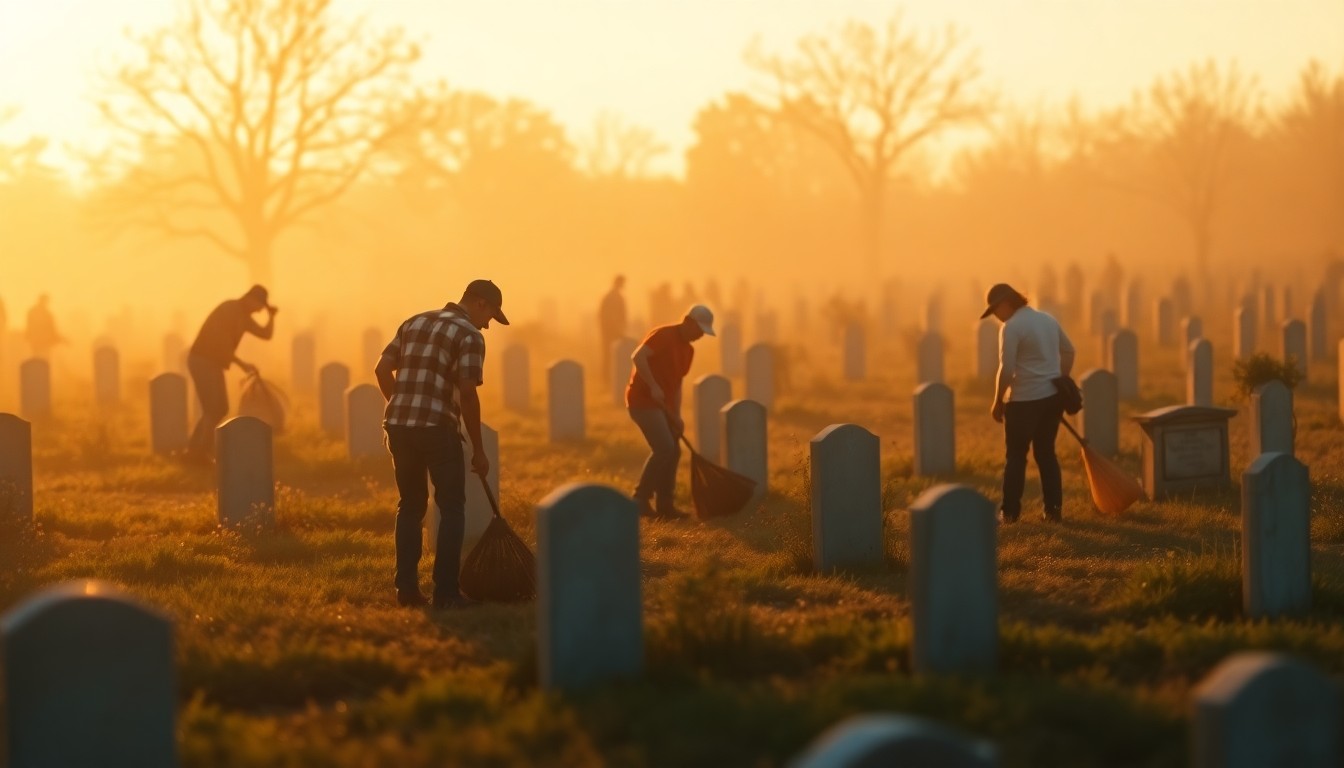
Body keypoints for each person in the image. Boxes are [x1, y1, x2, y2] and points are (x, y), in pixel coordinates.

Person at [375, 279, 508, 609]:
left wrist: (403, 405)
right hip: (437, 429)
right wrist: (478, 449)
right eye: (491, 314)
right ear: (479, 303)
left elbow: (381, 369)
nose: (489, 324)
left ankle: (405, 590)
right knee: (451, 506)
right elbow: (466, 392)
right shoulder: (469, 335)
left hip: (398, 426)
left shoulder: (414, 321)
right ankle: (446, 592)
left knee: (410, 505)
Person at [983, 282, 1075, 523]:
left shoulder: (1011, 327)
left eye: (995, 310)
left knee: (1016, 456)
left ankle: (1010, 513)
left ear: (1006, 303)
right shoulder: (1047, 319)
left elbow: (1007, 368)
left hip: (1023, 401)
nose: (996, 316)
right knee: (1046, 454)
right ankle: (1053, 511)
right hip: (1052, 398)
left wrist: (997, 401)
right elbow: (1069, 351)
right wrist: (1059, 378)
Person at [625, 304, 715, 520]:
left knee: (674, 450)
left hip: (664, 406)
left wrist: (676, 415)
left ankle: (665, 505)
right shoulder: (664, 335)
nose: (701, 336)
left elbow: (677, 384)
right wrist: (653, 386)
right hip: (642, 402)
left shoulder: (688, 350)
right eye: (699, 330)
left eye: (704, 333)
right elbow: (638, 357)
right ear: (687, 322)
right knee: (664, 447)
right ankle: (639, 499)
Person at [186, 285, 276, 462]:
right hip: (202, 360)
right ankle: (199, 453)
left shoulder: (244, 316)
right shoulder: (229, 309)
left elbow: (266, 334)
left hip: (214, 363)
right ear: (251, 299)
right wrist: (242, 364)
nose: (259, 311)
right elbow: (221, 344)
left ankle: (195, 451)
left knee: (219, 408)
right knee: (214, 408)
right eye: (260, 306)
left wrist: (271, 316)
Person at [598, 274, 628, 382]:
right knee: (608, 354)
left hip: (613, 330)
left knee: (611, 354)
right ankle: (606, 378)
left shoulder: (615, 296)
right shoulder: (612, 297)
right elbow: (608, 315)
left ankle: (611, 378)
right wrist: (616, 329)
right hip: (610, 330)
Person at [24, 294, 65, 359]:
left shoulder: (33, 312)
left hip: (37, 341)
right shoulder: (47, 314)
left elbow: (28, 327)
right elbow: (52, 329)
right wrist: (58, 338)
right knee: (43, 359)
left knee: (37, 358)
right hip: (43, 342)